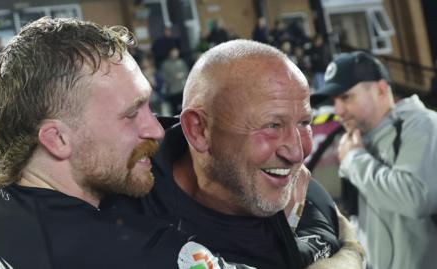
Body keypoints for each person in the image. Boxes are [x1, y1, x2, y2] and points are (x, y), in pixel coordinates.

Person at [0, 17, 198, 269]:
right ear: (57, 139)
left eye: (149, 107)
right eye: (130, 115)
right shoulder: (138, 255)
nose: (157, 130)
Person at [112, 39, 365, 269]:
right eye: (272, 125)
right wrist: (351, 255)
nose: (297, 152)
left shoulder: (311, 199)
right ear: (199, 130)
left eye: (303, 123)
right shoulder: (120, 216)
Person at [311, 51, 437, 269]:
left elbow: (417, 198)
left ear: (380, 89)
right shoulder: (357, 140)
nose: (338, 111)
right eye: (334, 101)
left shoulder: (422, 125)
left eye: (346, 97)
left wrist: (354, 160)